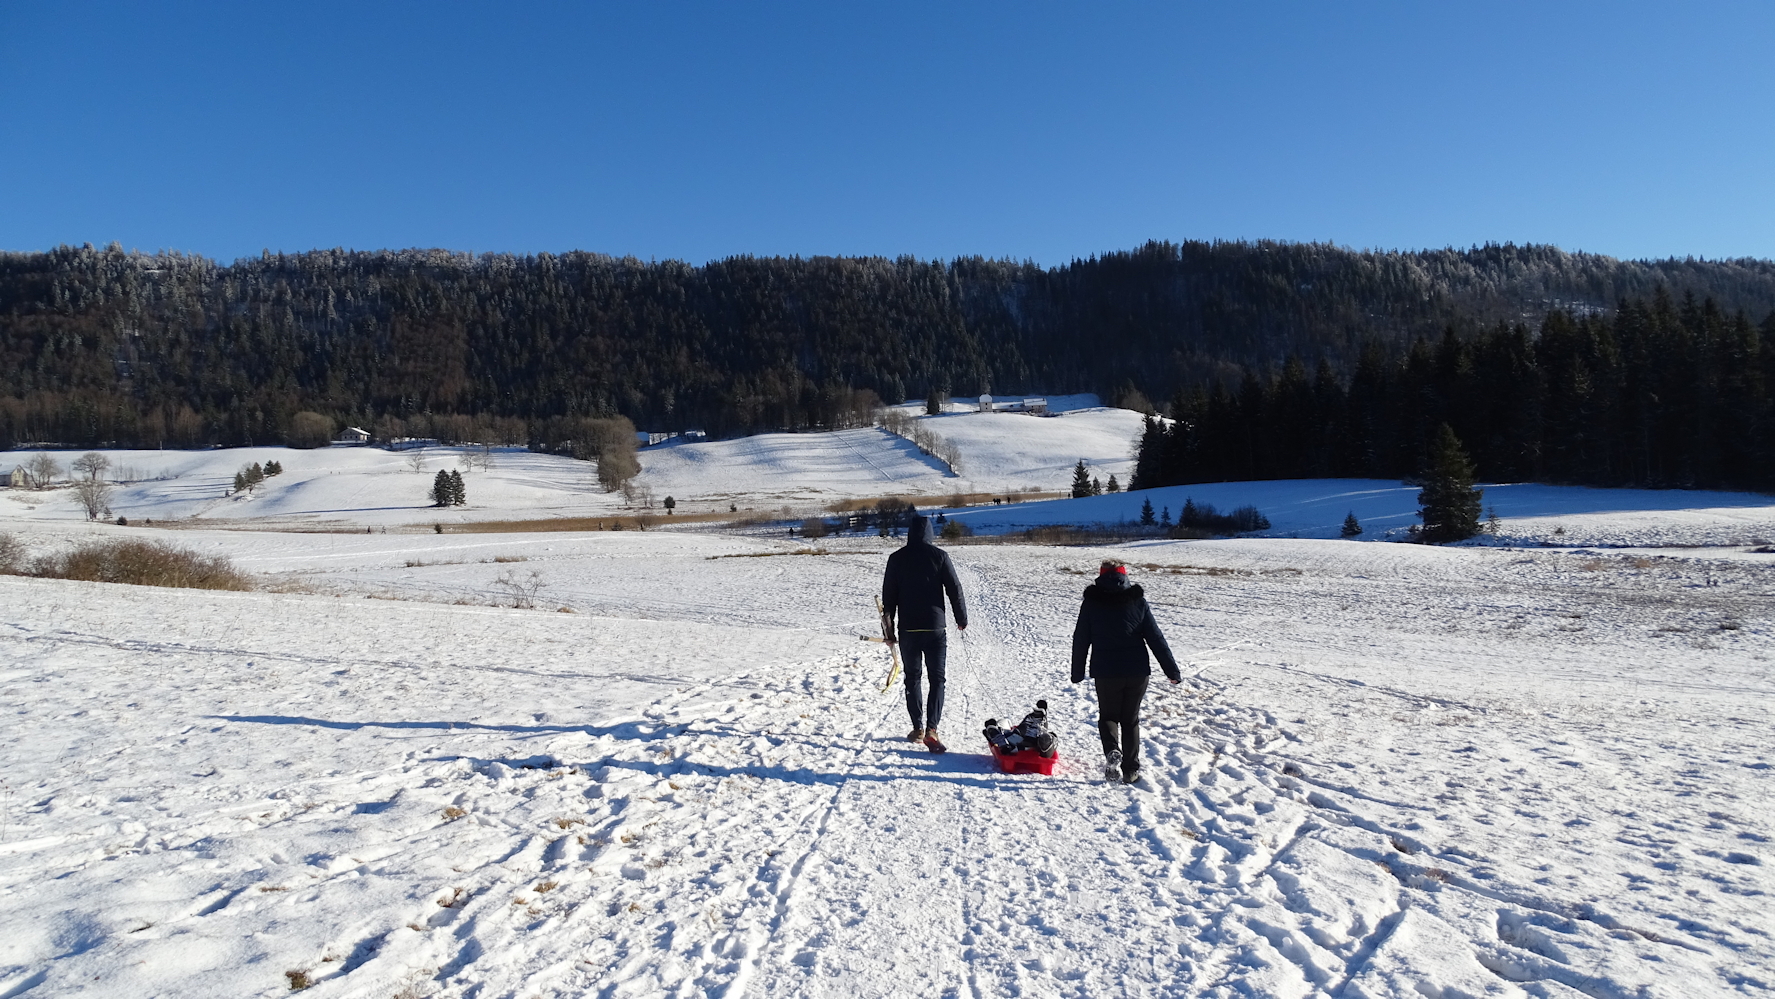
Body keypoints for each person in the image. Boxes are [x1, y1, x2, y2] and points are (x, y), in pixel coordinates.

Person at [1070, 560, 1179, 784]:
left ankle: (1112, 751)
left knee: (1108, 717)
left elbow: (1081, 639)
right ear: (1124, 576)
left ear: (1101, 576)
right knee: (1130, 720)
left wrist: (1077, 672)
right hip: (1137, 671)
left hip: (1106, 672)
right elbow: (1156, 638)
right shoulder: (1137, 601)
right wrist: (1172, 670)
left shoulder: (1091, 603)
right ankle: (1131, 771)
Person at [882, 515, 968, 753]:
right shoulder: (940, 556)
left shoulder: (896, 558)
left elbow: (888, 599)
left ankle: (917, 728)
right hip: (935, 628)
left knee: (913, 678)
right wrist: (961, 619)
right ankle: (932, 729)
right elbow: (955, 589)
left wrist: (889, 632)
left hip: (908, 630)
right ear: (930, 533)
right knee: (937, 679)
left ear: (909, 533)